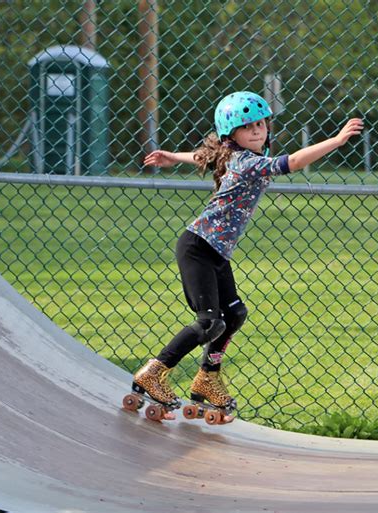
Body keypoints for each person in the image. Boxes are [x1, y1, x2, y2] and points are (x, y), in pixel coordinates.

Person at [131, 91, 363, 421]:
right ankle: (154, 372)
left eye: (261, 124)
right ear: (232, 134)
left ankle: (207, 379)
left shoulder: (230, 155)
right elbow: (294, 162)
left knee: (235, 314)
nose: (257, 131)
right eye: (247, 127)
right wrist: (337, 140)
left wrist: (172, 156)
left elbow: (204, 156)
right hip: (198, 247)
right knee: (210, 322)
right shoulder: (249, 163)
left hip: (216, 252)